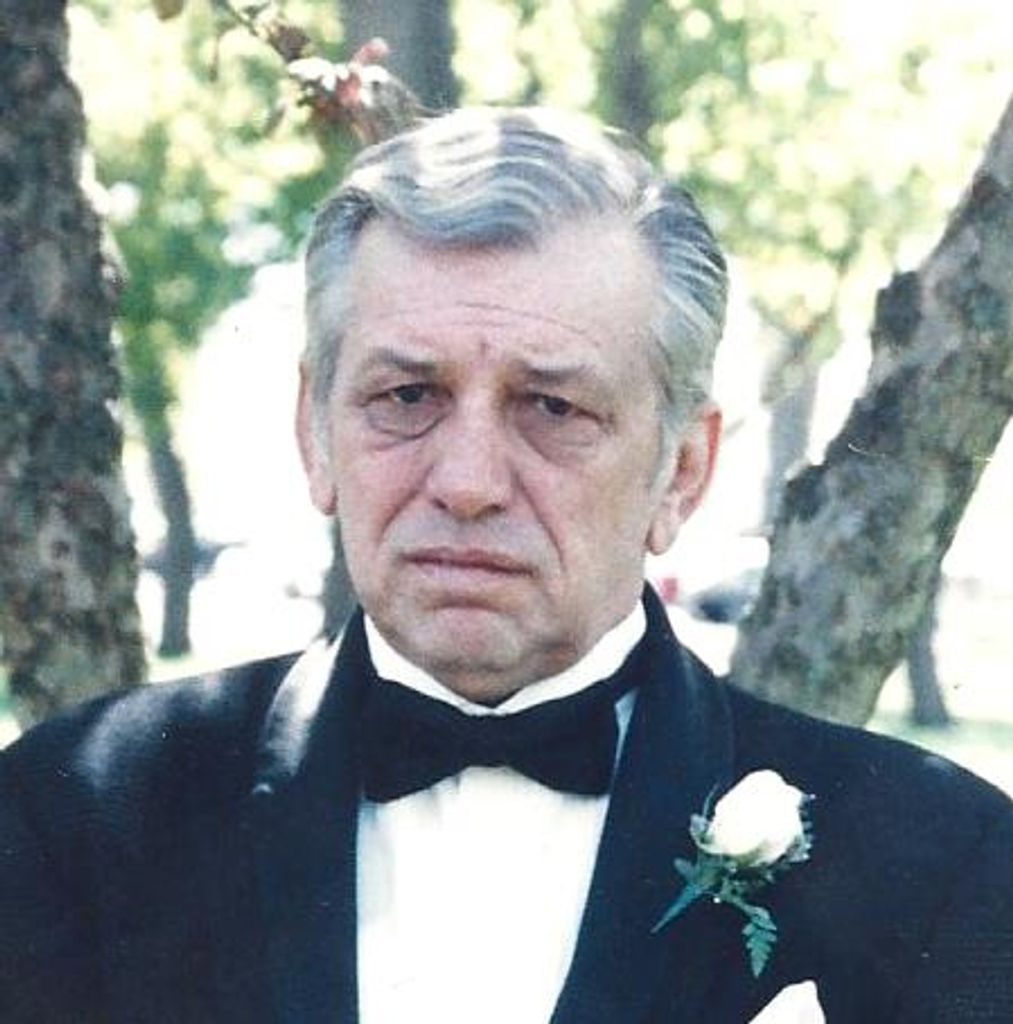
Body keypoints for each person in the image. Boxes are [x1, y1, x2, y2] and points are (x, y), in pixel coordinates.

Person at [1, 107, 1011, 1024]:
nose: (469, 482)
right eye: (406, 397)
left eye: (552, 407)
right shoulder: (69, 821)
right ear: (315, 433)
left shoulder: (941, 868)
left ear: (681, 470)